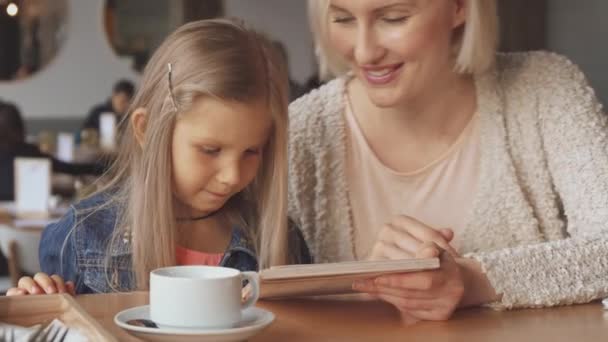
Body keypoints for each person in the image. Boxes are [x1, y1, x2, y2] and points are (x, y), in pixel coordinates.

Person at [288, 0, 608, 321]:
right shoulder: (300, 131)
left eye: (393, 18)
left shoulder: (546, 89)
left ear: (459, 7)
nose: (364, 52)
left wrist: (474, 280)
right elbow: (248, 284)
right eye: (343, 19)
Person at [7, 18, 307, 296]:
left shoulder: (281, 239)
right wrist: (37, 307)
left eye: (251, 151)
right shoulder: (81, 236)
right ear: (146, 129)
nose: (232, 175)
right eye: (210, 150)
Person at [0, 101, 104, 201]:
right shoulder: (29, 151)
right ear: (19, 126)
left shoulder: (29, 151)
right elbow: (69, 168)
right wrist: (105, 168)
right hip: (28, 210)